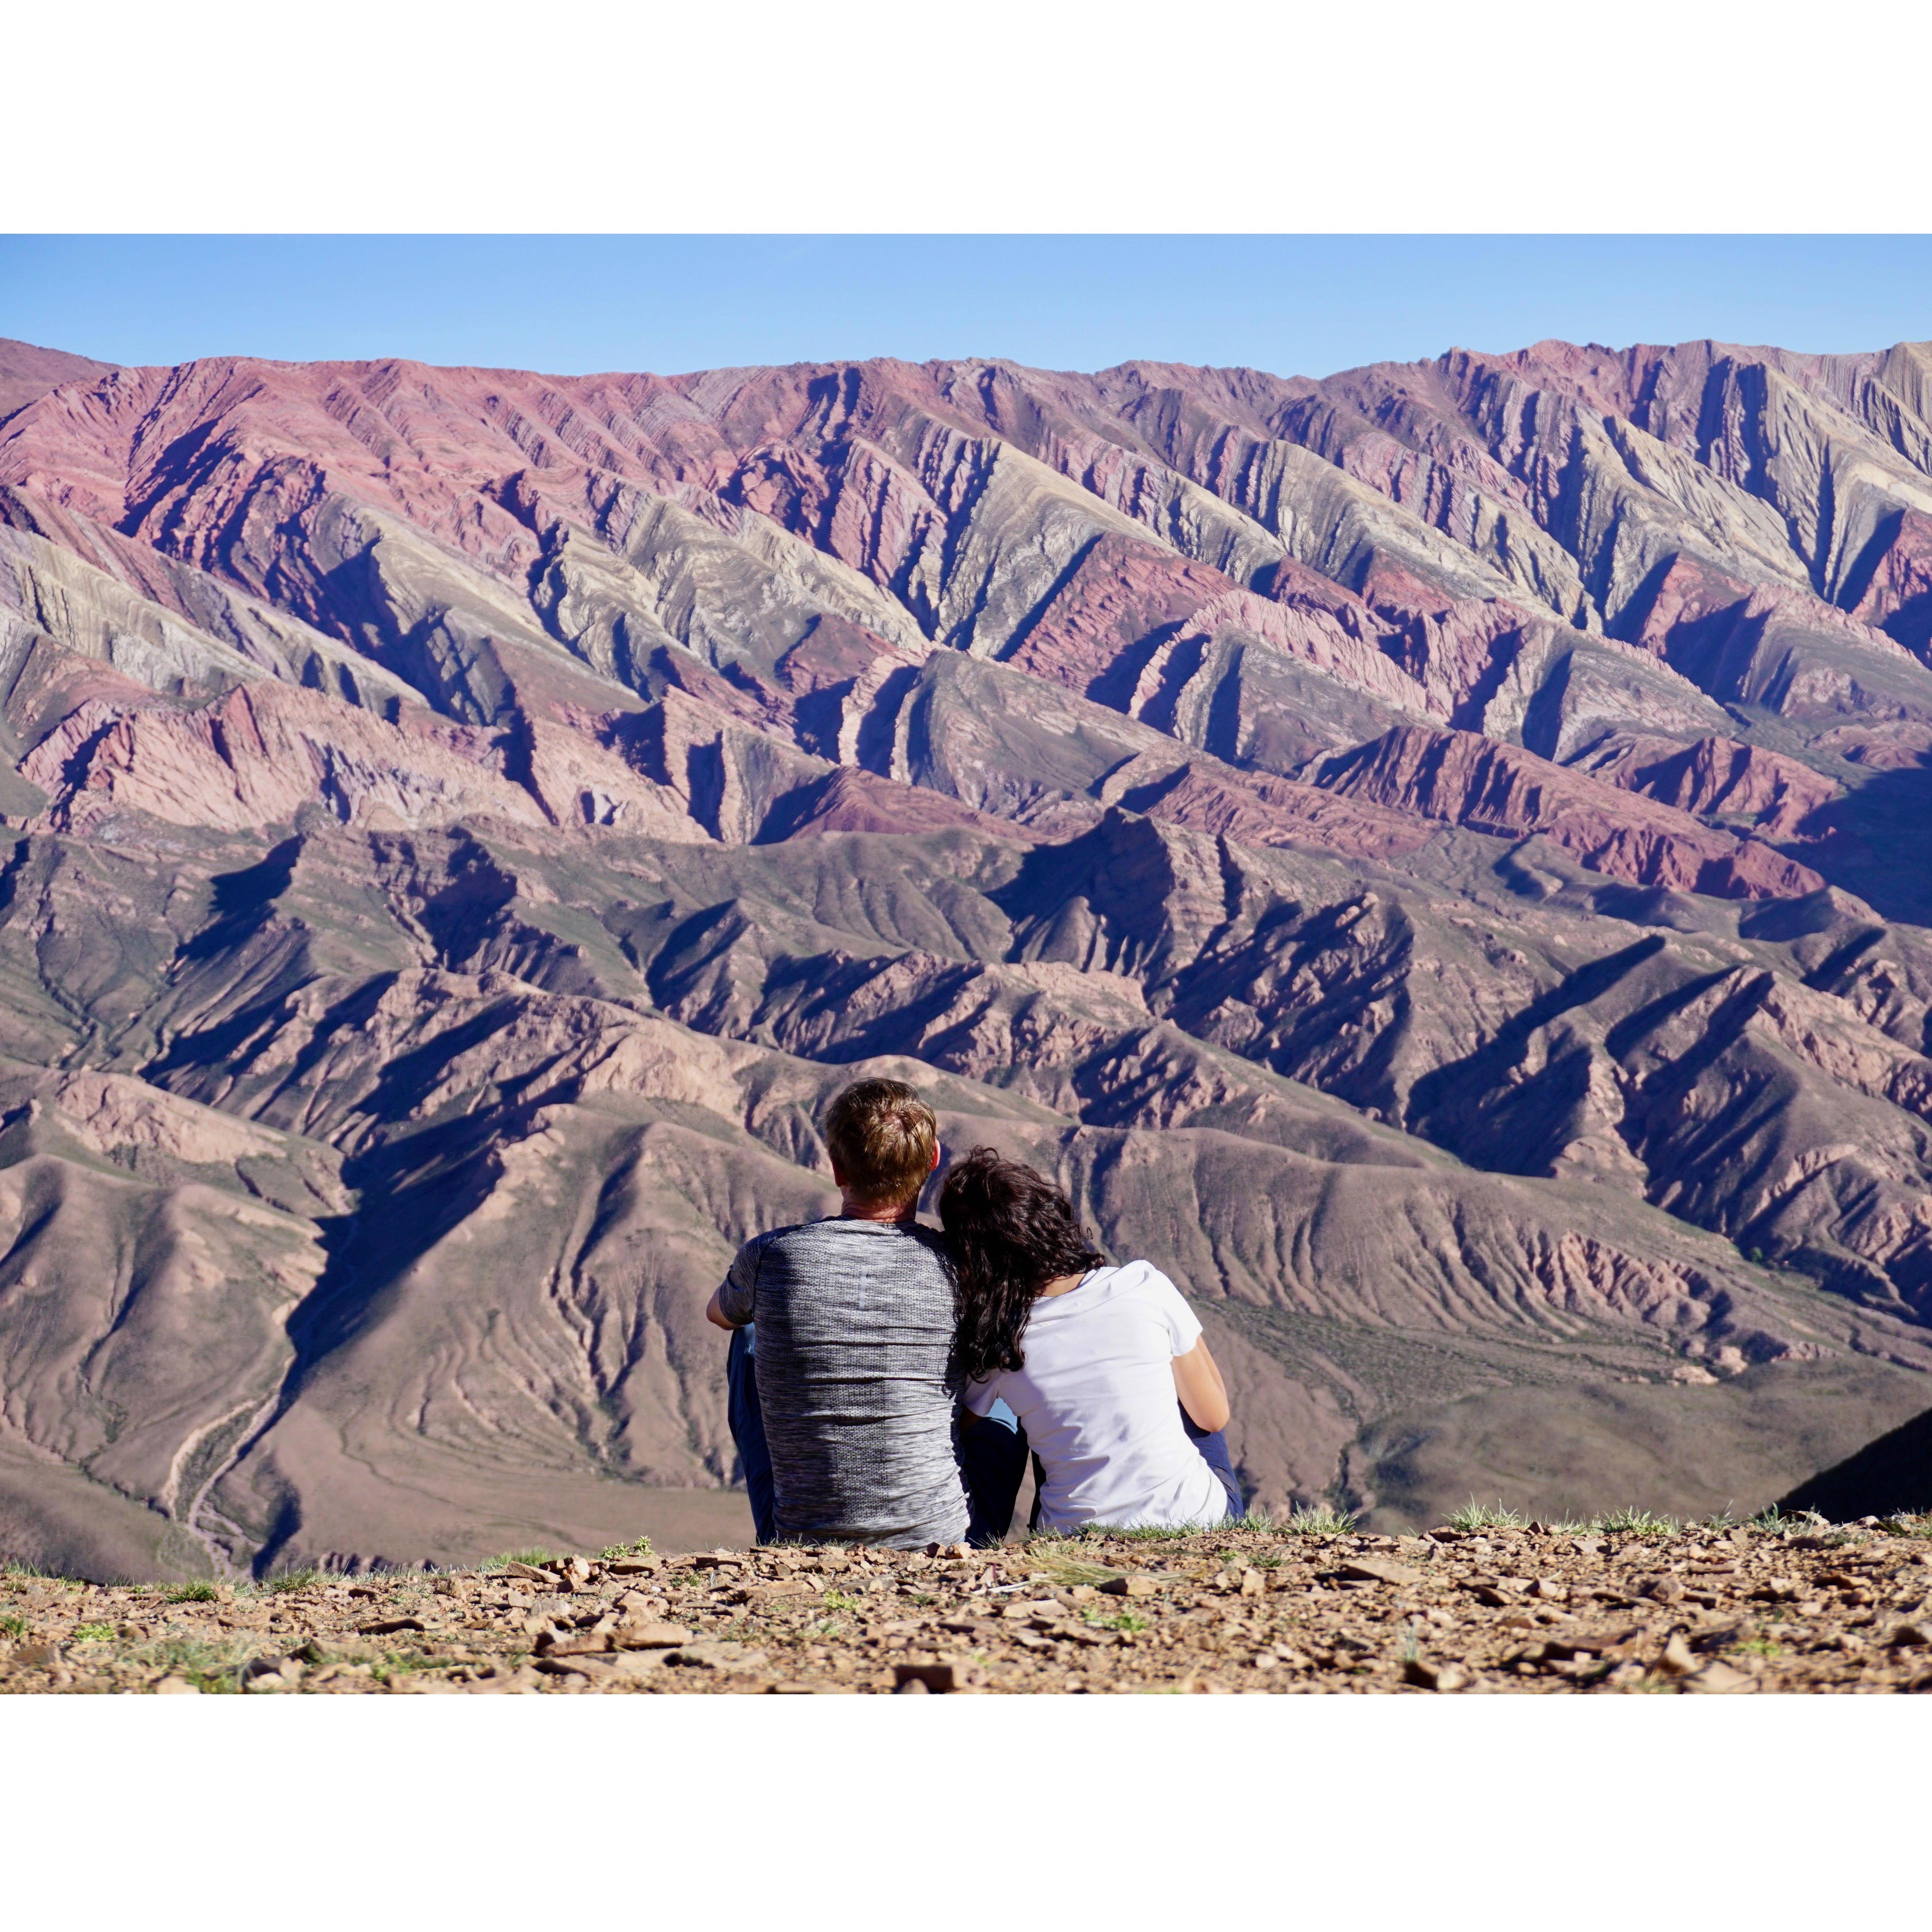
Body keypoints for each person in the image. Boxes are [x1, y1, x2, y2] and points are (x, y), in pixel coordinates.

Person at [706, 1078, 1026, 1547]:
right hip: (943, 1538)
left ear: (836, 1167)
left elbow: (718, 1313)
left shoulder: (771, 1254)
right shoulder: (961, 1266)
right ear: (933, 1160)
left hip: (800, 1536)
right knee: (1011, 1366)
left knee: (748, 1333)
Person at [940, 1146, 1242, 1532]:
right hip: (1197, 1522)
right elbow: (1212, 1417)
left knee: (1029, 1407)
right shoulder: (1144, 1284)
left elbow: (963, 1428)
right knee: (1178, 1383)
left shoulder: (1001, 1344)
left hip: (1072, 1537)